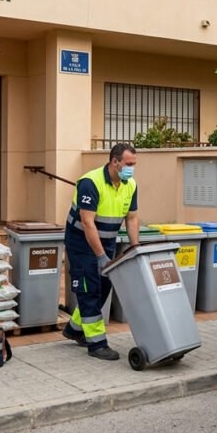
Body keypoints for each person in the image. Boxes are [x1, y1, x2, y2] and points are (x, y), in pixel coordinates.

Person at [61, 143, 140, 361]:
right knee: (90, 288)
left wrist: (135, 248)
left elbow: (132, 218)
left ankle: (75, 329)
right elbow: (87, 223)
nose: (132, 168)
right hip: (81, 241)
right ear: (114, 162)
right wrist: (100, 257)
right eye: (128, 164)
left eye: (134, 164)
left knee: (105, 286)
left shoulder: (130, 185)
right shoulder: (90, 182)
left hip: (107, 241)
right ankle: (97, 344)